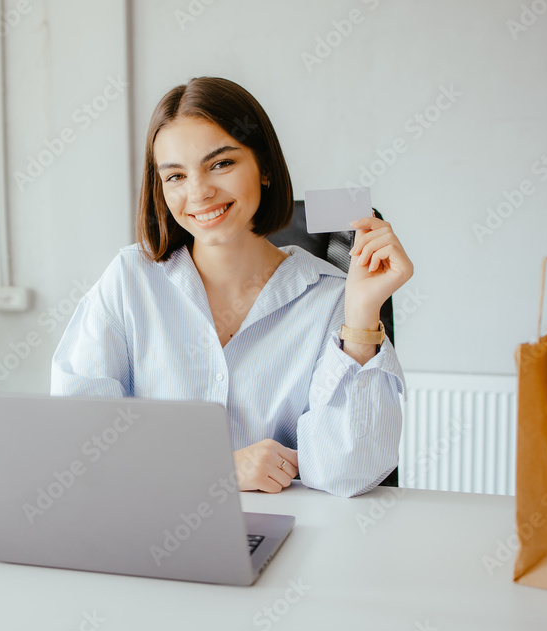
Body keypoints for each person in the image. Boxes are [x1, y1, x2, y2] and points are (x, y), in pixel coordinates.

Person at [50, 77, 412, 497]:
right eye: (175, 177)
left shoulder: (333, 296)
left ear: (266, 169)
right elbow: (80, 446)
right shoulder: (130, 280)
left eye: (221, 164)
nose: (199, 192)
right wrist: (215, 468)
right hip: (150, 534)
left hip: (294, 539)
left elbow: (346, 474)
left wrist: (363, 316)